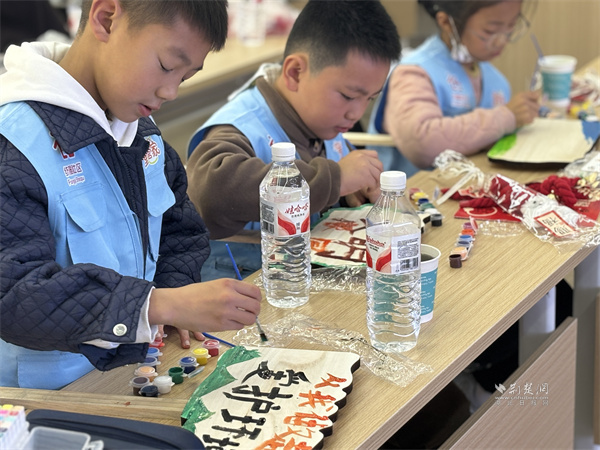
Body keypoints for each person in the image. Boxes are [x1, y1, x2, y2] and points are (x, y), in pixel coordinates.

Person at [0, 0, 262, 390]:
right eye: (167, 66)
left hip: (131, 367)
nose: (170, 91)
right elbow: (13, 293)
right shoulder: (14, 141)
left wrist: (174, 296)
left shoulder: (138, 131)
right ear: (106, 19)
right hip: (41, 396)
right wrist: (157, 305)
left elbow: (179, 230)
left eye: (185, 77)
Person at [186, 0, 400, 281]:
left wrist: (350, 195)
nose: (356, 113)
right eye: (348, 96)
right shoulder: (240, 128)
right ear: (295, 72)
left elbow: (328, 192)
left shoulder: (326, 123)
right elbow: (211, 193)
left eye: (369, 99)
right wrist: (334, 180)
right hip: (246, 291)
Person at [369, 0, 541, 176]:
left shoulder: (496, 81)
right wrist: (506, 117)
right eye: (490, 31)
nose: (502, 41)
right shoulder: (414, 73)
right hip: (412, 189)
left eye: (511, 26)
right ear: (446, 22)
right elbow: (424, 144)